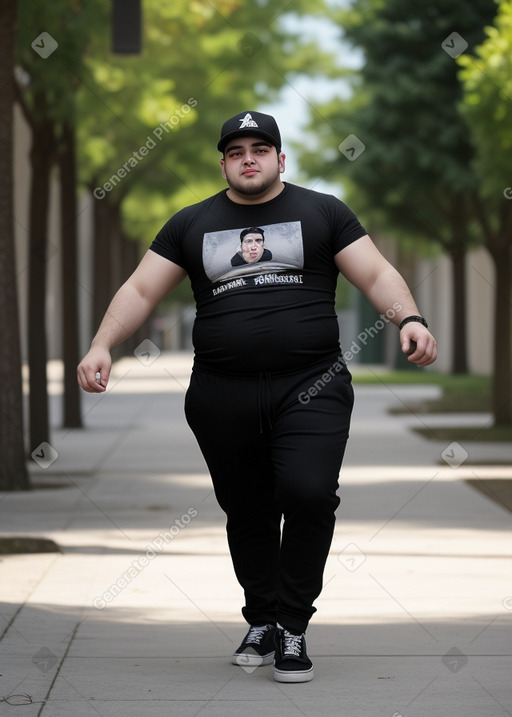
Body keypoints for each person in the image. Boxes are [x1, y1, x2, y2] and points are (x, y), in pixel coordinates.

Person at [78, 109, 437, 683]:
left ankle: (292, 623)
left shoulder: (322, 211)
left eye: (260, 148)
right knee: (246, 509)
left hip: (311, 385)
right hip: (222, 392)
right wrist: (102, 344)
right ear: (223, 162)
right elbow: (141, 288)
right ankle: (261, 617)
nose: (249, 158)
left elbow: (375, 273)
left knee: (309, 493)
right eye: (237, 150)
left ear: (279, 158)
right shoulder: (189, 223)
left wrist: (409, 318)